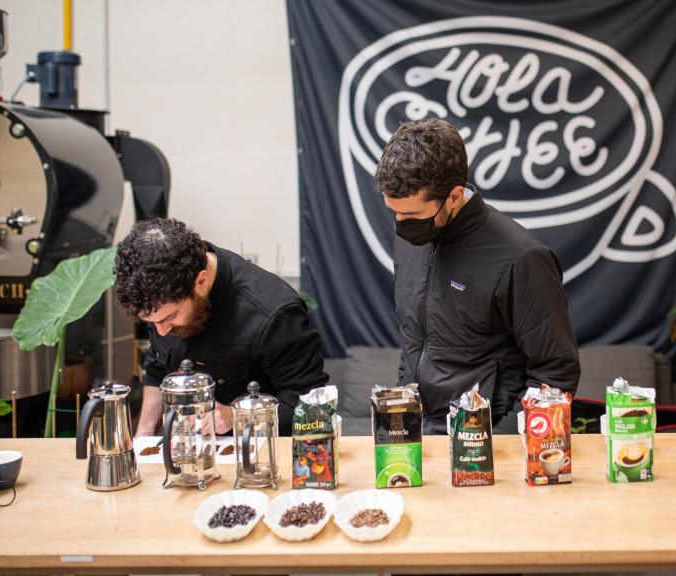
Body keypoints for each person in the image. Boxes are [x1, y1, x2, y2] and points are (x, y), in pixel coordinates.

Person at [374, 117, 580, 434]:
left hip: (485, 440)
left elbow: (556, 371)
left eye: (412, 214)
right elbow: (414, 340)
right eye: (395, 212)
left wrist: (506, 443)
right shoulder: (409, 240)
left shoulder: (521, 258)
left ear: (454, 197)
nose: (401, 223)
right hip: (417, 434)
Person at [114, 218, 328, 436]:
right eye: (152, 323)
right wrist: (144, 434)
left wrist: (238, 417)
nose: (161, 331)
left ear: (201, 282)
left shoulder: (272, 312)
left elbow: (312, 406)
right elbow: (157, 369)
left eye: (170, 317)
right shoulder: (159, 293)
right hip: (187, 448)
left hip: (258, 454)